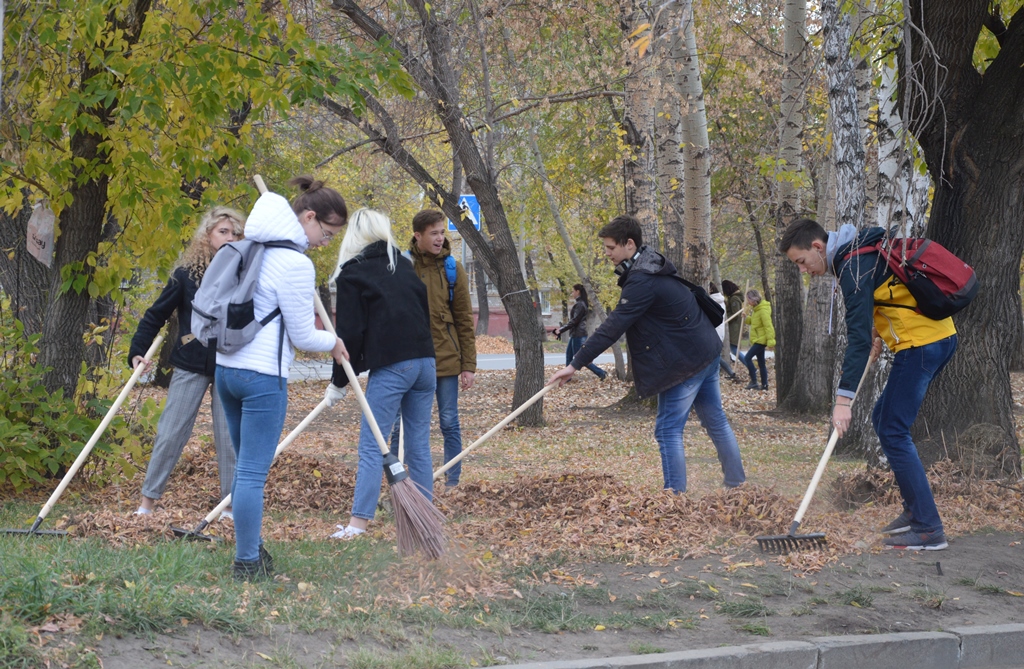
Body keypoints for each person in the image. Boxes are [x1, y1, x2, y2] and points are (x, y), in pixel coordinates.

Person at [780, 217, 956, 551]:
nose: (804, 270)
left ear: (817, 247)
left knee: (892, 428)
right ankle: (914, 510)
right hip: (933, 339)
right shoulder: (856, 254)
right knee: (883, 420)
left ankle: (928, 529)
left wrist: (843, 402)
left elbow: (856, 340)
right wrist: (880, 331)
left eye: (802, 262)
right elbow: (888, 291)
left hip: (921, 344)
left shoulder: (852, 265)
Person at [548, 215, 746, 493]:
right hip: (706, 351)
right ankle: (736, 486)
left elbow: (613, 326)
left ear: (629, 244)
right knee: (715, 420)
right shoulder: (651, 265)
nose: (607, 254)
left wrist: (575, 364)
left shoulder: (642, 279)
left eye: (610, 248)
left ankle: (674, 498)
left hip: (688, 361)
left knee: (668, 429)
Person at [215, 176, 350, 580]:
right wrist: (334, 340)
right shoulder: (294, 263)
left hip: (227, 372)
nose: (325, 242)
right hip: (262, 380)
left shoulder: (246, 249)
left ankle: (252, 547)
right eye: (326, 232)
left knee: (245, 470)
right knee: (253, 474)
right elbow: (303, 335)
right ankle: (246, 564)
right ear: (308, 217)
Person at [129, 207, 246, 518]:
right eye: (223, 231)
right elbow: (156, 314)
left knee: (230, 438)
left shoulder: (245, 275)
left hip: (229, 365)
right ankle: (146, 505)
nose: (230, 238)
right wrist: (138, 349)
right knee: (170, 433)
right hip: (190, 363)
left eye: (235, 233)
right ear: (206, 236)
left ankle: (230, 507)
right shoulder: (186, 275)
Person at [327, 209, 436, 540]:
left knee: (373, 444)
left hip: (394, 367)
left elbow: (349, 335)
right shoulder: (404, 266)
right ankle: (424, 521)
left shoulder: (353, 273)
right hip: (425, 364)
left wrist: (338, 382)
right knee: (417, 444)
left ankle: (358, 525)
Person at [394, 209, 477, 488]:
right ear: (418, 236)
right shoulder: (401, 266)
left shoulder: (453, 269)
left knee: (449, 422)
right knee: (400, 427)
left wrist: (468, 366)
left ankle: (452, 481)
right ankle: (397, 483)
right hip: (407, 358)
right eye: (434, 233)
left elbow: (464, 319)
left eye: (442, 232)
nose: (440, 238)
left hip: (445, 358)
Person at [554, 284, 607, 380]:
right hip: (575, 334)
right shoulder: (580, 304)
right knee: (569, 355)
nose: (572, 293)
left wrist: (560, 330)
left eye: (573, 291)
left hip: (579, 334)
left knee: (580, 357)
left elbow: (574, 321)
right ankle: (567, 377)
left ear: (578, 291)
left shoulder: (580, 305)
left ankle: (601, 373)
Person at [741, 289, 775, 391]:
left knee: (747, 358)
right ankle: (764, 385)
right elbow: (754, 322)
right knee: (761, 363)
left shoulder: (763, 310)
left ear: (754, 299)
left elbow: (768, 326)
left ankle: (754, 382)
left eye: (748, 300)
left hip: (761, 340)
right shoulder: (756, 309)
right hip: (758, 339)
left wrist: (771, 341)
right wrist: (746, 318)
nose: (748, 302)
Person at [708, 282, 737, 383]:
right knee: (714, 356)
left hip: (715, 331)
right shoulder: (718, 299)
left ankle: (729, 373)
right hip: (716, 331)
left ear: (711, 290)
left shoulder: (713, 300)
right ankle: (730, 373)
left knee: (714, 356)